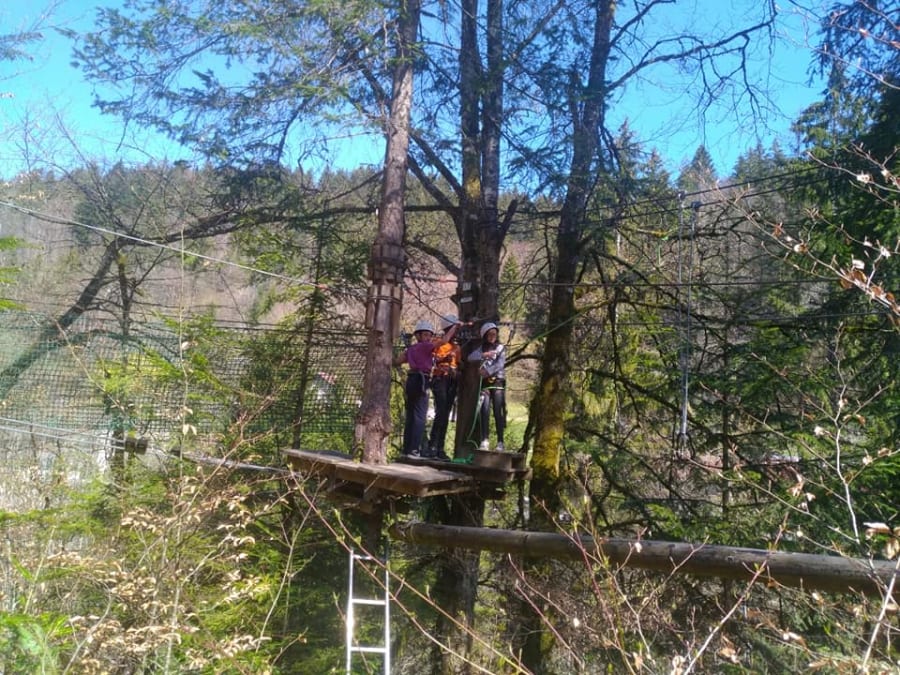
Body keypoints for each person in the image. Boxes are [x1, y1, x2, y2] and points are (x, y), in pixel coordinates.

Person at [394, 318, 460, 457]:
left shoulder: (411, 349)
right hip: (421, 380)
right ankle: (414, 450)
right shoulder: (426, 346)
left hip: (412, 379)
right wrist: (455, 326)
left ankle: (406, 450)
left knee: (411, 416)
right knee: (419, 416)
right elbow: (444, 340)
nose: (429, 338)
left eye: (430, 335)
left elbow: (397, 361)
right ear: (418, 336)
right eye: (425, 335)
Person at [426, 315, 462, 460]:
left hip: (451, 381)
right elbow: (432, 360)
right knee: (440, 411)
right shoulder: (438, 343)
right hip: (439, 379)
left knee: (445, 414)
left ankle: (440, 448)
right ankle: (432, 446)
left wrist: (457, 371)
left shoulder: (457, 348)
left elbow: (459, 365)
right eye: (455, 330)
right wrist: (444, 359)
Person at [468, 321, 507, 452]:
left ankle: (500, 441)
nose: (492, 337)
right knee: (484, 411)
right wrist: (484, 355)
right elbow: (470, 358)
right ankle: (484, 440)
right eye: (489, 334)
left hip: (497, 382)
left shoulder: (500, 348)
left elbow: (500, 364)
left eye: (494, 334)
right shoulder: (482, 349)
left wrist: (487, 371)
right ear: (485, 335)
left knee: (497, 411)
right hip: (484, 384)